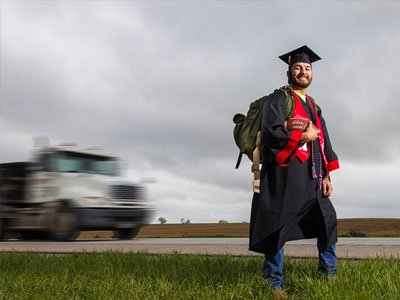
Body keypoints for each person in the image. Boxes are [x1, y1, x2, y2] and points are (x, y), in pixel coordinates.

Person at [249, 45, 340, 299]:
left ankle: (328, 276)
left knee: (327, 222)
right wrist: (302, 135)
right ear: (288, 71)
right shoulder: (278, 99)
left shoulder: (313, 105)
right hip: (285, 174)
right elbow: (270, 133)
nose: (303, 72)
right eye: (298, 68)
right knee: (277, 226)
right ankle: (273, 284)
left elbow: (323, 141)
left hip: (313, 176)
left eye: (307, 68)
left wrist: (326, 175)